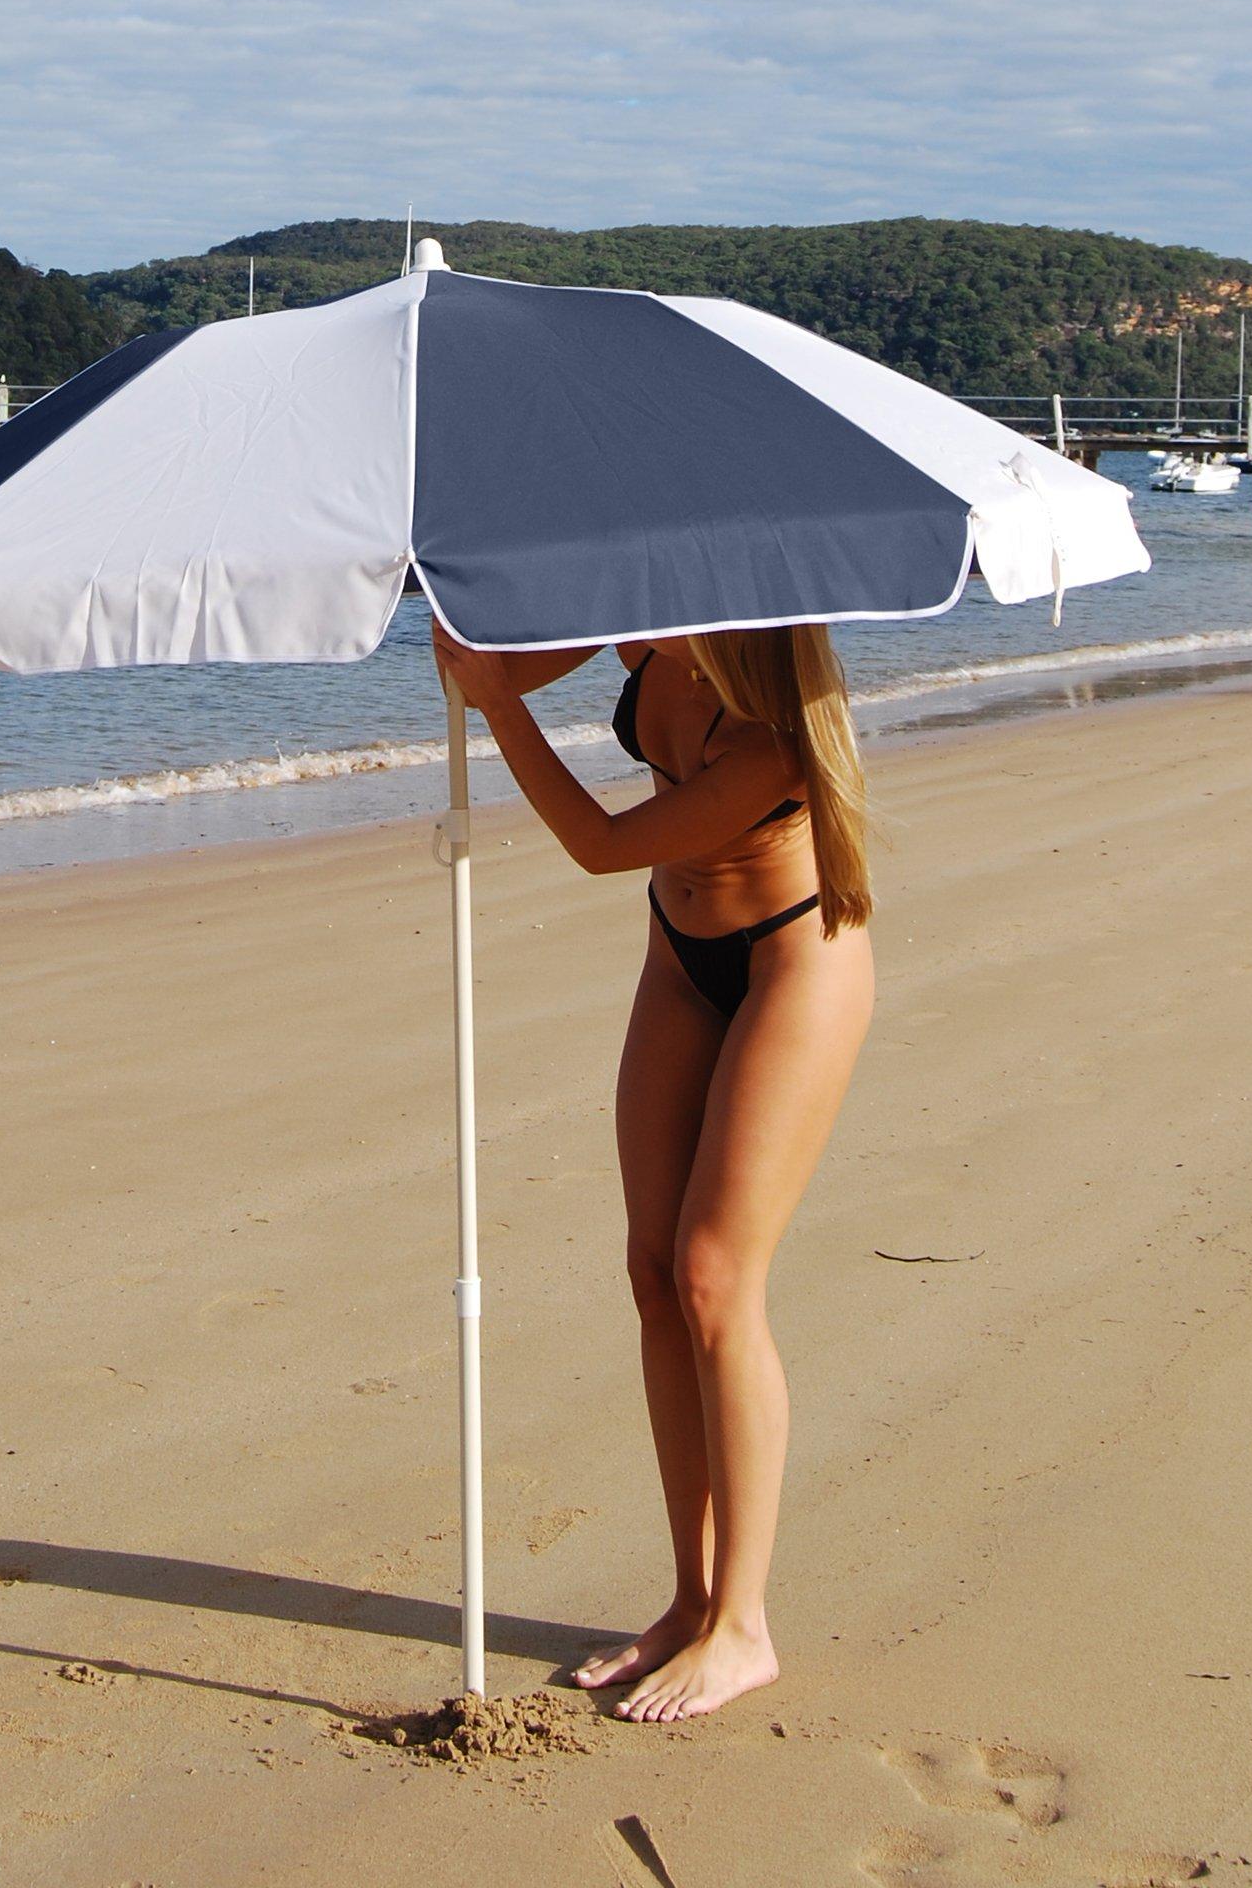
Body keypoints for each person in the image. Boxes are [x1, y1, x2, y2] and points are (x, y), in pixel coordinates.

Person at [431, 619, 875, 1723]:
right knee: (650, 1273)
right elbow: (511, 653)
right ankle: (689, 1598)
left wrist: (497, 705)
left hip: (790, 961)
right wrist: (472, 635)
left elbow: (595, 840)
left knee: (716, 1278)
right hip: (677, 959)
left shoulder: (771, 735)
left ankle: (745, 1625)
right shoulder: (652, 644)